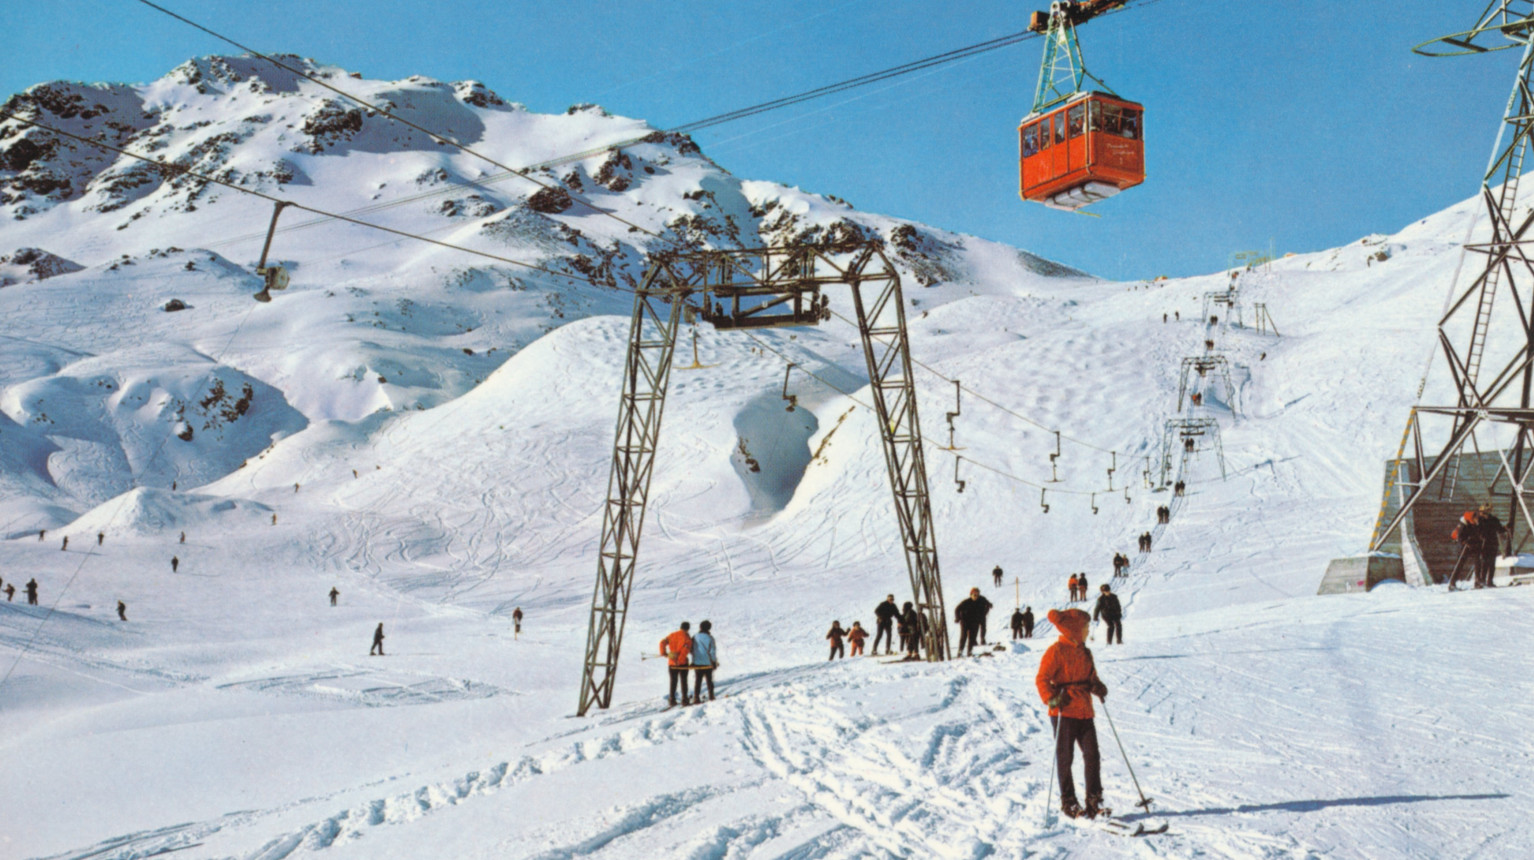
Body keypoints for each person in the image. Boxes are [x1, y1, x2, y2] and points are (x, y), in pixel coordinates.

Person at [1036, 608, 1109, 819]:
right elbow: (1042, 679)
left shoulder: (1086, 652)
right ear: (1076, 629)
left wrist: (1098, 687)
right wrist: (1052, 698)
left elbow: (1091, 677)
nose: (1088, 631)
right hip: (1063, 711)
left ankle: (1094, 800)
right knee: (1065, 758)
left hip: (1084, 710)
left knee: (1092, 755)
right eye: (1086, 627)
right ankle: (1069, 802)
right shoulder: (1056, 651)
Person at [660, 621, 694, 705]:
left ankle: (672, 700)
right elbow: (685, 651)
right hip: (682, 663)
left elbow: (662, 643)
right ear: (688, 629)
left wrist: (663, 653)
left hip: (672, 662)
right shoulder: (687, 638)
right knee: (683, 681)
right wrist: (680, 660)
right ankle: (685, 700)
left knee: (673, 681)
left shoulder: (672, 635)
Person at [1476, 503, 1506, 588]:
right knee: (1484, 562)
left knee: (1491, 563)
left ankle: (1490, 581)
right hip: (1484, 543)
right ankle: (1482, 580)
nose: (1480, 513)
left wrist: (1506, 528)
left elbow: (1499, 530)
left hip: (1492, 543)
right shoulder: (1479, 520)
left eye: (1482, 511)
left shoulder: (1494, 520)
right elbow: (1477, 531)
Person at [953, 588, 988, 656]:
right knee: (963, 637)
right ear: (971, 595)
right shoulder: (966, 602)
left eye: (977, 595)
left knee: (972, 638)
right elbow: (957, 609)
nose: (976, 597)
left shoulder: (980, 602)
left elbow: (985, 609)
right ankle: (960, 652)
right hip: (965, 622)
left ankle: (969, 652)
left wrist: (981, 618)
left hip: (974, 622)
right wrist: (958, 618)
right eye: (974, 595)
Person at [692, 620, 718, 702]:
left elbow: (691, 649)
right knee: (709, 680)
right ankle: (711, 696)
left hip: (697, 662)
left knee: (698, 680)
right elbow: (712, 651)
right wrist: (714, 662)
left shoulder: (695, 636)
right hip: (708, 663)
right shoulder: (710, 638)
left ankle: (696, 697)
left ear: (700, 627)